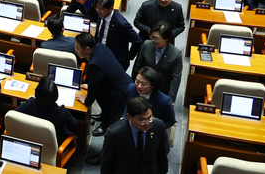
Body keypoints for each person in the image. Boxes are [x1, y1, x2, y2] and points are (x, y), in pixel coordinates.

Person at [74, 33, 132, 163]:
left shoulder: (95, 63)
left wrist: (87, 101)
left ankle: (105, 157)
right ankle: (104, 124)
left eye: (77, 48)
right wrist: (90, 84)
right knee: (108, 120)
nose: (76, 50)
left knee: (113, 132)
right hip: (118, 86)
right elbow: (100, 77)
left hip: (118, 97)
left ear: (87, 49)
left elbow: (95, 86)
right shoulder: (99, 47)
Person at [101, 97, 170, 174]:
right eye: (142, 120)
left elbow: (162, 155)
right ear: (129, 116)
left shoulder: (158, 126)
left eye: (150, 118)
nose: (147, 123)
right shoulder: (115, 133)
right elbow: (106, 163)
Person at [14, 77, 78, 145]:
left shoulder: (30, 104)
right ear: (56, 96)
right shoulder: (62, 112)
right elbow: (75, 126)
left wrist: (30, 100)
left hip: (30, 140)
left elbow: (13, 115)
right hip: (52, 145)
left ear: (36, 92)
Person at [131, 23, 182, 102]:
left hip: (161, 91)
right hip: (143, 89)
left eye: (156, 38)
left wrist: (171, 99)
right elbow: (138, 66)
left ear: (166, 39)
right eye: (152, 37)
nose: (153, 40)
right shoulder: (146, 45)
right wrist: (135, 85)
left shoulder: (176, 54)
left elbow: (175, 79)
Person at [93, 0, 142, 70]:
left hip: (116, 61)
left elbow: (138, 41)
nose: (98, 11)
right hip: (101, 54)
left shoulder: (121, 24)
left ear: (111, 8)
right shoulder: (101, 15)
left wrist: (129, 56)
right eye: (97, 8)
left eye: (101, 9)